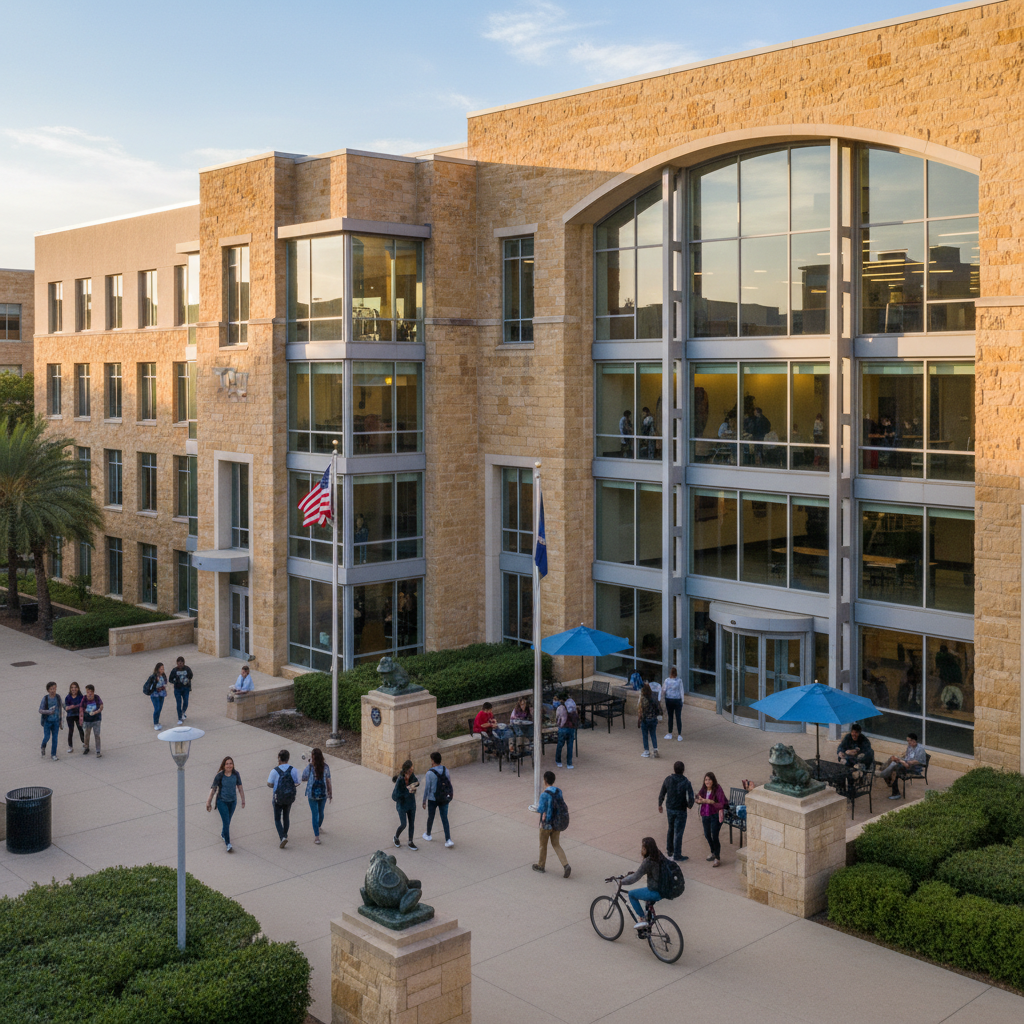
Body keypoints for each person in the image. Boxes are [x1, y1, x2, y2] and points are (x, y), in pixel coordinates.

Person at [619, 836, 667, 928]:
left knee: (632, 894)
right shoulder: (658, 854)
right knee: (645, 899)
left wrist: (622, 882)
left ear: (646, 849)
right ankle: (650, 922)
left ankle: (642, 918)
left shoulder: (648, 861)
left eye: (643, 848)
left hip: (655, 891)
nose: (641, 849)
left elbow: (635, 877)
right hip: (664, 888)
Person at [533, 770, 570, 877]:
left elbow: (540, 809)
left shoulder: (544, 795)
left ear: (545, 781)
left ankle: (541, 865)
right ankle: (565, 864)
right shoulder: (559, 791)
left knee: (543, 845)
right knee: (556, 844)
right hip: (557, 823)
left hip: (546, 824)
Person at [206, 756, 245, 852]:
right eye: (227, 764)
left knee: (228, 821)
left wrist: (243, 800)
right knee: (226, 822)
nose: (229, 765)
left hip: (233, 802)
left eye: (230, 763)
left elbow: (240, 787)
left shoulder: (236, 774)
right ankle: (228, 844)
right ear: (224, 765)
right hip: (222, 801)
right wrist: (208, 802)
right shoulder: (220, 775)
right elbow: (213, 789)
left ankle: (223, 834)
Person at [658, 761, 694, 862]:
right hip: (681, 810)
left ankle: (670, 850)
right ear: (683, 770)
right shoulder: (686, 782)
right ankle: (677, 854)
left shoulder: (668, 779)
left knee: (671, 829)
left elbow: (662, 792)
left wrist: (660, 804)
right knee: (678, 832)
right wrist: (689, 805)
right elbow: (691, 797)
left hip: (670, 808)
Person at [267, 749, 300, 848]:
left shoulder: (274, 771)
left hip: (278, 797)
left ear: (279, 758)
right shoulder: (293, 769)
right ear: (288, 758)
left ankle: (282, 837)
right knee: (286, 816)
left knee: (277, 818)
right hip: (289, 797)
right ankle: (285, 834)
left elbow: (269, 784)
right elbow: (297, 782)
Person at [880, 733, 928, 799]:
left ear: (913, 741)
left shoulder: (920, 749)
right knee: (892, 760)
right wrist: (900, 759)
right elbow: (907, 757)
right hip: (907, 764)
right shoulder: (910, 747)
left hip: (915, 768)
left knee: (895, 770)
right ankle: (886, 776)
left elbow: (917, 761)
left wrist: (904, 761)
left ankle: (895, 792)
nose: (908, 742)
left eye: (909, 741)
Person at [421, 751, 454, 847]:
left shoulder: (429, 773)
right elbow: (449, 784)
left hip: (432, 799)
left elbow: (427, 788)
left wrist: (424, 801)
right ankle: (448, 839)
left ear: (432, 760)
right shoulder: (446, 770)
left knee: (431, 817)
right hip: (444, 798)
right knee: (445, 818)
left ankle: (428, 834)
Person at [695, 771, 727, 867]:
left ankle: (717, 857)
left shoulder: (718, 789)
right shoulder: (704, 789)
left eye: (709, 779)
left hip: (715, 815)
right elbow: (697, 796)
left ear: (713, 780)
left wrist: (708, 801)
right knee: (707, 834)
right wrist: (698, 799)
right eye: (706, 780)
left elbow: (721, 803)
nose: (707, 782)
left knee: (715, 836)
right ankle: (713, 851)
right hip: (705, 814)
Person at [301, 747, 332, 844]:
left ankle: (317, 835)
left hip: (312, 794)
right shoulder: (325, 767)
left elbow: (303, 777)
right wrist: (330, 793)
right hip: (322, 793)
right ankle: (317, 830)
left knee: (316, 814)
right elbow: (328, 780)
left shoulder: (310, 767)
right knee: (320, 813)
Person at [392, 759, 419, 850]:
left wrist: (412, 787)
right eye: (411, 769)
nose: (412, 770)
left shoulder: (412, 777)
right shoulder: (400, 780)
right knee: (403, 824)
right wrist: (407, 792)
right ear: (406, 770)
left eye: (412, 768)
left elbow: (416, 783)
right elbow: (394, 796)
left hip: (411, 804)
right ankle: (396, 837)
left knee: (412, 823)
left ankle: (410, 841)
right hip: (402, 806)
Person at [39, 682, 64, 760]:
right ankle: (43, 746)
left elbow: (61, 708)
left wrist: (60, 721)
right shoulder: (45, 698)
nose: (53, 690)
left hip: (56, 721)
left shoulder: (58, 697)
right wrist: (48, 712)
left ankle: (53, 754)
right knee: (47, 737)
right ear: (48, 690)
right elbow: (40, 710)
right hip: (47, 721)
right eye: (51, 689)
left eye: (54, 688)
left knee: (55, 738)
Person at [168, 656, 193, 724]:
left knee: (186, 702)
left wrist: (187, 680)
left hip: (186, 688)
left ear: (184, 663)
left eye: (181, 663)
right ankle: (179, 718)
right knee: (178, 703)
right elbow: (170, 679)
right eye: (179, 664)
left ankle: (183, 712)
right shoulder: (174, 670)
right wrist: (175, 681)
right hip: (177, 689)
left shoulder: (187, 669)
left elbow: (191, 676)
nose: (180, 665)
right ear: (177, 663)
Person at [638, 682, 660, 758]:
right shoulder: (653, 697)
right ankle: (655, 749)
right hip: (653, 719)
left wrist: (640, 719)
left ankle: (646, 751)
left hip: (645, 720)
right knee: (653, 734)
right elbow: (658, 709)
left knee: (645, 735)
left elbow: (641, 711)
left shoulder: (643, 699)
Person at [662, 665, 683, 741]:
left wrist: (661, 697)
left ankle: (670, 733)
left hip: (669, 700)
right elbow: (681, 691)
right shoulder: (679, 681)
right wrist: (682, 701)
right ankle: (679, 735)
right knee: (678, 717)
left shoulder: (667, 680)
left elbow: (664, 690)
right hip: (677, 700)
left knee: (670, 717)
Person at [81, 685, 103, 756]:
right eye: (88, 692)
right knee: (87, 735)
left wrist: (96, 712)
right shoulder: (84, 698)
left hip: (96, 719)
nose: (89, 694)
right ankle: (86, 747)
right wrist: (86, 711)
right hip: (87, 720)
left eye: (91, 692)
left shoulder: (97, 698)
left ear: (93, 692)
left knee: (97, 735)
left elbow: (101, 706)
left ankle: (98, 751)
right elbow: (81, 707)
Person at [64, 681, 85, 754]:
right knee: (71, 731)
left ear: (78, 688)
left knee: (80, 729)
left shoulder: (81, 697)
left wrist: (75, 706)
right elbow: (66, 707)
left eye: (75, 687)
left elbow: (83, 705)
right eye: (72, 688)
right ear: (70, 689)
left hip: (78, 715)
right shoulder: (68, 697)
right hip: (70, 716)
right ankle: (70, 746)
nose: (74, 689)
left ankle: (84, 743)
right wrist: (70, 707)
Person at [146, 662, 168, 730]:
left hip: (162, 693)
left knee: (160, 708)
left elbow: (165, 682)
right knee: (157, 708)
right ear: (158, 669)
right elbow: (151, 686)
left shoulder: (163, 675)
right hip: (155, 694)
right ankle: (155, 723)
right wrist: (156, 681)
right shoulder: (153, 676)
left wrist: (163, 687)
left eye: (163, 669)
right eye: (161, 669)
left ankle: (158, 722)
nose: (162, 670)